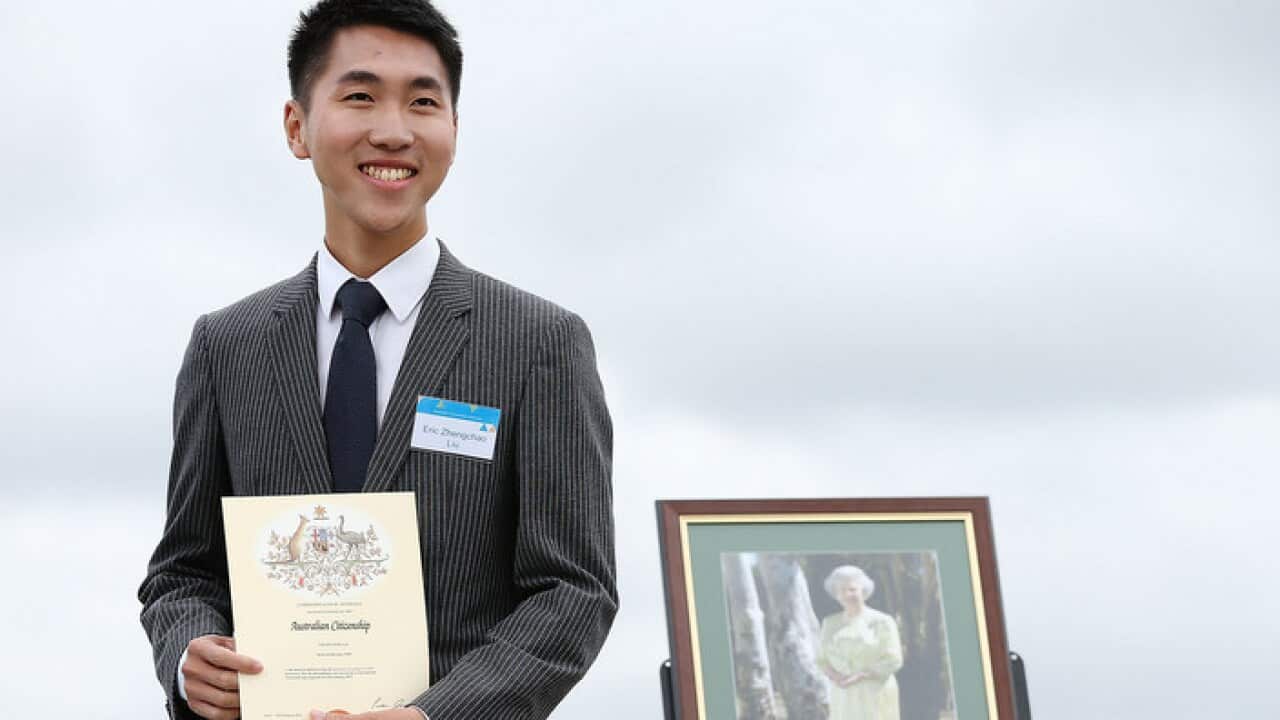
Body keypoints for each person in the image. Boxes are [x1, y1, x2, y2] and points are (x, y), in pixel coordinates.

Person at [135, 2, 617, 719]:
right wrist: (188, 652)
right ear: (297, 127)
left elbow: (573, 589)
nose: (393, 130)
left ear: (454, 128)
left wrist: (434, 715)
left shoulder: (538, 342)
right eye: (359, 96)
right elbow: (183, 572)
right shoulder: (224, 346)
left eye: (424, 102)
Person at [815, 565, 903, 720]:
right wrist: (836, 678)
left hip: (875, 692)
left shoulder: (883, 621)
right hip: (843, 693)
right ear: (836, 595)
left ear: (864, 591)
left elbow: (894, 659)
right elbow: (821, 659)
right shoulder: (829, 623)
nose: (847, 594)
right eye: (841, 590)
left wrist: (861, 675)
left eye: (852, 589)